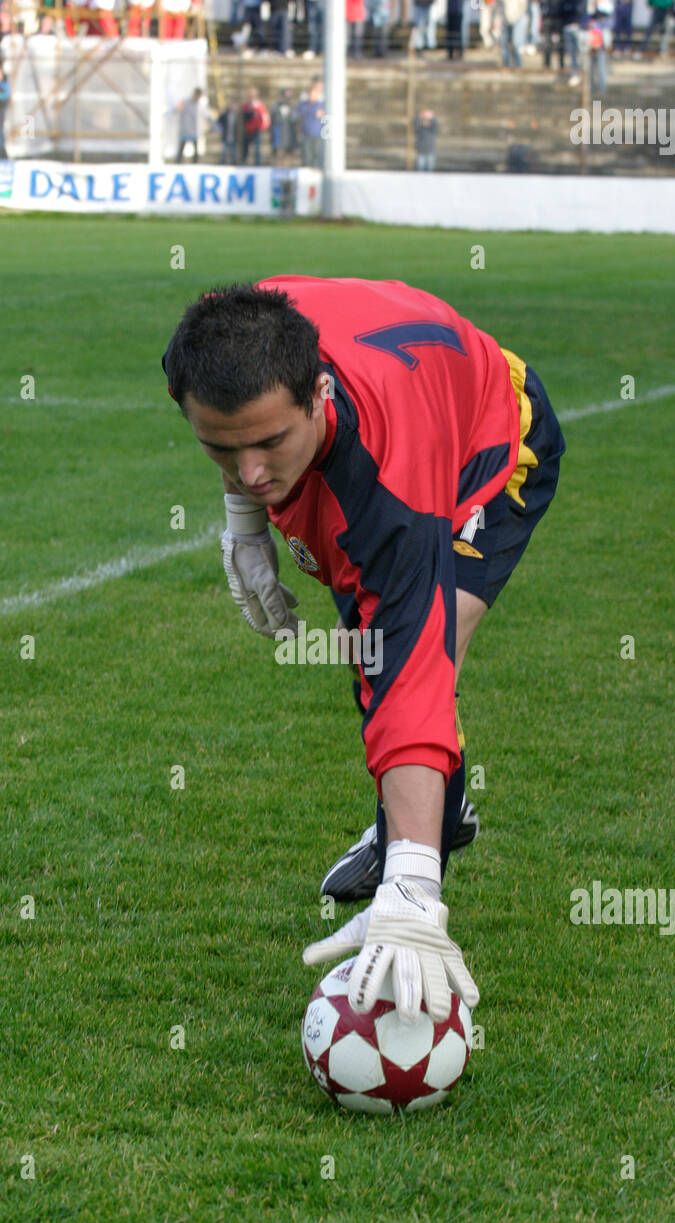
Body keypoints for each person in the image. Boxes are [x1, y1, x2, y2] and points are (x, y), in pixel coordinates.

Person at [160, 277, 565, 1024]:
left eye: (270, 443)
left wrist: (412, 882)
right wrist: (244, 519)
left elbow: (410, 676)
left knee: (405, 660)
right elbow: (248, 438)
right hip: (397, 416)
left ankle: (415, 858)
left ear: (318, 392)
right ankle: (429, 819)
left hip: (492, 437)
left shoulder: (390, 496)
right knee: (378, 658)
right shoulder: (215, 342)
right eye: (221, 449)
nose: (250, 472)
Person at [176, 85, 212, 162]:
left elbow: (208, 117)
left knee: (195, 152)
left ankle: (194, 166)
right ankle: (177, 165)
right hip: (185, 130)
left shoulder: (200, 106)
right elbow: (177, 110)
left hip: (195, 132)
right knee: (181, 150)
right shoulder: (185, 103)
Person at [298, 79, 324, 166]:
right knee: (307, 155)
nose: (312, 95)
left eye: (314, 93)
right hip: (306, 133)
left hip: (317, 134)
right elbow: (299, 114)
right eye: (311, 93)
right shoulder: (304, 105)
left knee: (316, 155)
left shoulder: (320, 105)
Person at [241, 85, 269, 165]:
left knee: (257, 148)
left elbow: (264, 116)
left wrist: (263, 126)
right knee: (245, 148)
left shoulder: (259, 105)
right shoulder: (246, 105)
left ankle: (257, 163)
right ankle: (244, 162)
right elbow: (243, 116)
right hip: (247, 129)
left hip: (256, 129)